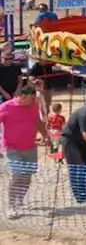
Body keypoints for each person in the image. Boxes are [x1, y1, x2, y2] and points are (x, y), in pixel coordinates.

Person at [0, 86, 51, 218]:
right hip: (12, 148)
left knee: (27, 177)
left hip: (30, 147)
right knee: (17, 176)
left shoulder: (33, 106)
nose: (34, 101)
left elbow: (38, 122)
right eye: (32, 98)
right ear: (22, 97)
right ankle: (11, 206)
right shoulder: (6, 107)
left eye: (35, 98)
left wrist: (46, 136)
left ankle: (19, 200)